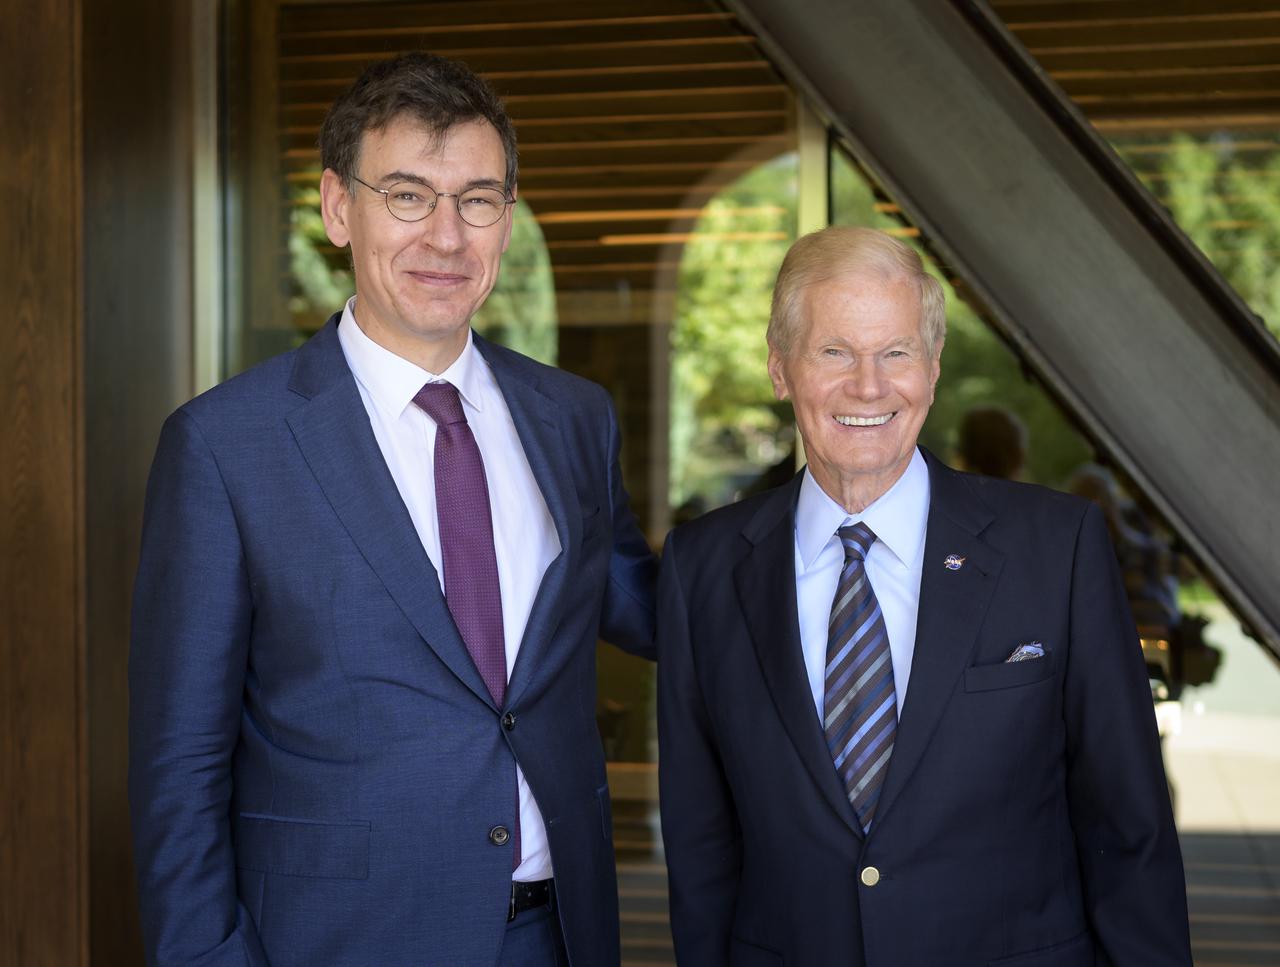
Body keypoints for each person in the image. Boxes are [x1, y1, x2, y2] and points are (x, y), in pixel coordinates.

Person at [129, 52, 656, 967]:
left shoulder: (574, 416)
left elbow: (649, 604)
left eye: (478, 199)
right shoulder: (225, 446)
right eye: (408, 196)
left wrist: (835, 518)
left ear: (508, 216)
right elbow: (179, 771)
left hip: (559, 935)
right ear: (339, 208)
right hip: (339, 943)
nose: (446, 238)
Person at [656, 226, 1191, 965]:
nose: (868, 385)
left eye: (896, 352)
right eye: (834, 351)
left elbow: (1130, 829)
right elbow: (700, 843)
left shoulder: (1057, 548)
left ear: (933, 369)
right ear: (780, 368)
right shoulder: (702, 567)